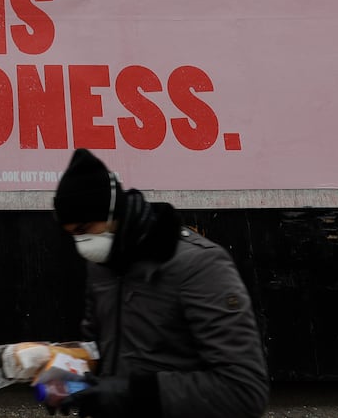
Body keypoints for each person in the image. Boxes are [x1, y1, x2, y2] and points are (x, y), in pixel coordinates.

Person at [50, 148, 269, 418]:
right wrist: (64, 371)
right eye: (71, 234)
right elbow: (98, 346)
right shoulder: (101, 267)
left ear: (112, 214)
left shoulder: (199, 266)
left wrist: (132, 394)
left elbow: (243, 391)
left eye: (84, 230)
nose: (80, 243)